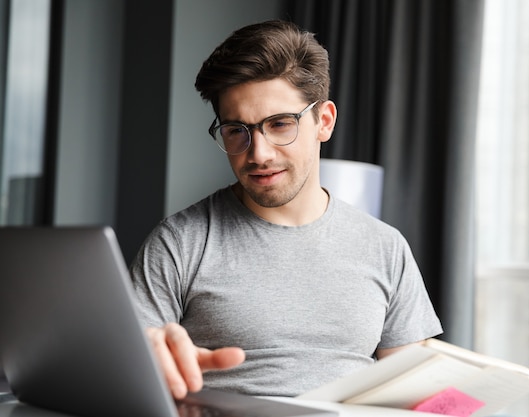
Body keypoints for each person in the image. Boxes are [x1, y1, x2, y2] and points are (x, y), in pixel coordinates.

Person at [130, 19, 442, 401]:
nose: (258, 154)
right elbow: (128, 376)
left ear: (323, 121)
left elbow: (417, 394)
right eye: (236, 130)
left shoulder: (385, 247)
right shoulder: (179, 242)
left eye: (279, 124)